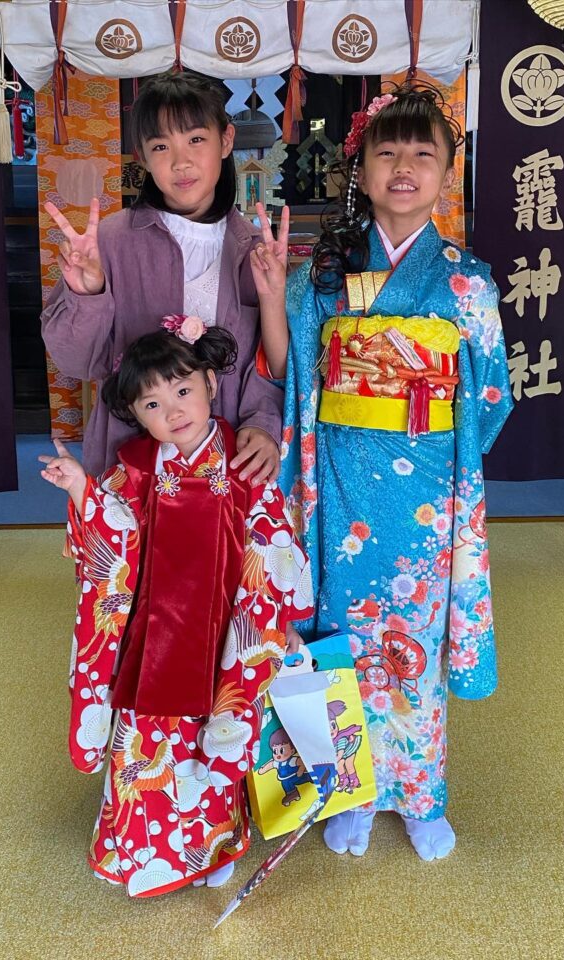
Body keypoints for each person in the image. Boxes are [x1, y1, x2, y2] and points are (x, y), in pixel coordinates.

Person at [255, 84, 513, 862]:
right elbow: (288, 370)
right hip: (338, 482)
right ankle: (352, 789)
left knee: (416, 642)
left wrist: (439, 458)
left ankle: (423, 792)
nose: (404, 167)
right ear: (360, 169)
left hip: (426, 489)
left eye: (422, 154)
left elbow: (492, 393)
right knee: (341, 640)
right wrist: (273, 296)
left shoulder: (466, 280)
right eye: (386, 152)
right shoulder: (323, 275)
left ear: (446, 173)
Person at [39, 321, 313, 898]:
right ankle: (141, 849)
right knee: (147, 748)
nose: (175, 410)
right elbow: (114, 538)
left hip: (223, 633)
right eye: (154, 403)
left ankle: (210, 846)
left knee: (214, 736)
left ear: (212, 383)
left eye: (184, 390)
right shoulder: (136, 466)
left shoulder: (243, 463)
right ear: (139, 416)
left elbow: (272, 545)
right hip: (153, 634)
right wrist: (83, 490)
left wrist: (275, 625)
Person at [41, 70, 286, 483]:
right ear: (142, 156)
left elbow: (266, 358)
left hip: (228, 462)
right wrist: (88, 294)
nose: (181, 162)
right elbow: (76, 362)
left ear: (226, 140)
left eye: (195, 139)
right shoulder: (112, 243)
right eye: (161, 146)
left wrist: (262, 422)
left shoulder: (252, 250)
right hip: (132, 463)